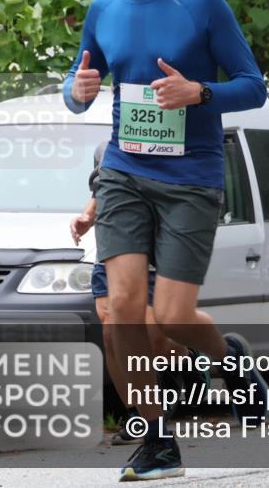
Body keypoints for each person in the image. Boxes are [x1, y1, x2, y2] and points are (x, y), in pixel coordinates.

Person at [63, 0, 268, 480]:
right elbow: (81, 81)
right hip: (126, 171)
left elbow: (253, 85)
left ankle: (229, 361)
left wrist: (200, 91)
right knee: (122, 311)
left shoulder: (202, 2)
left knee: (173, 316)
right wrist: (74, 95)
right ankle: (156, 442)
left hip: (192, 178)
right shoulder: (102, 8)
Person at [71, 142, 208, 446]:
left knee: (161, 342)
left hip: (156, 256)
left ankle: (190, 359)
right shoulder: (111, 146)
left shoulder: (176, 143)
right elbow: (102, 187)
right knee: (112, 331)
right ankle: (137, 415)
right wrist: (87, 217)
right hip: (112, 254)